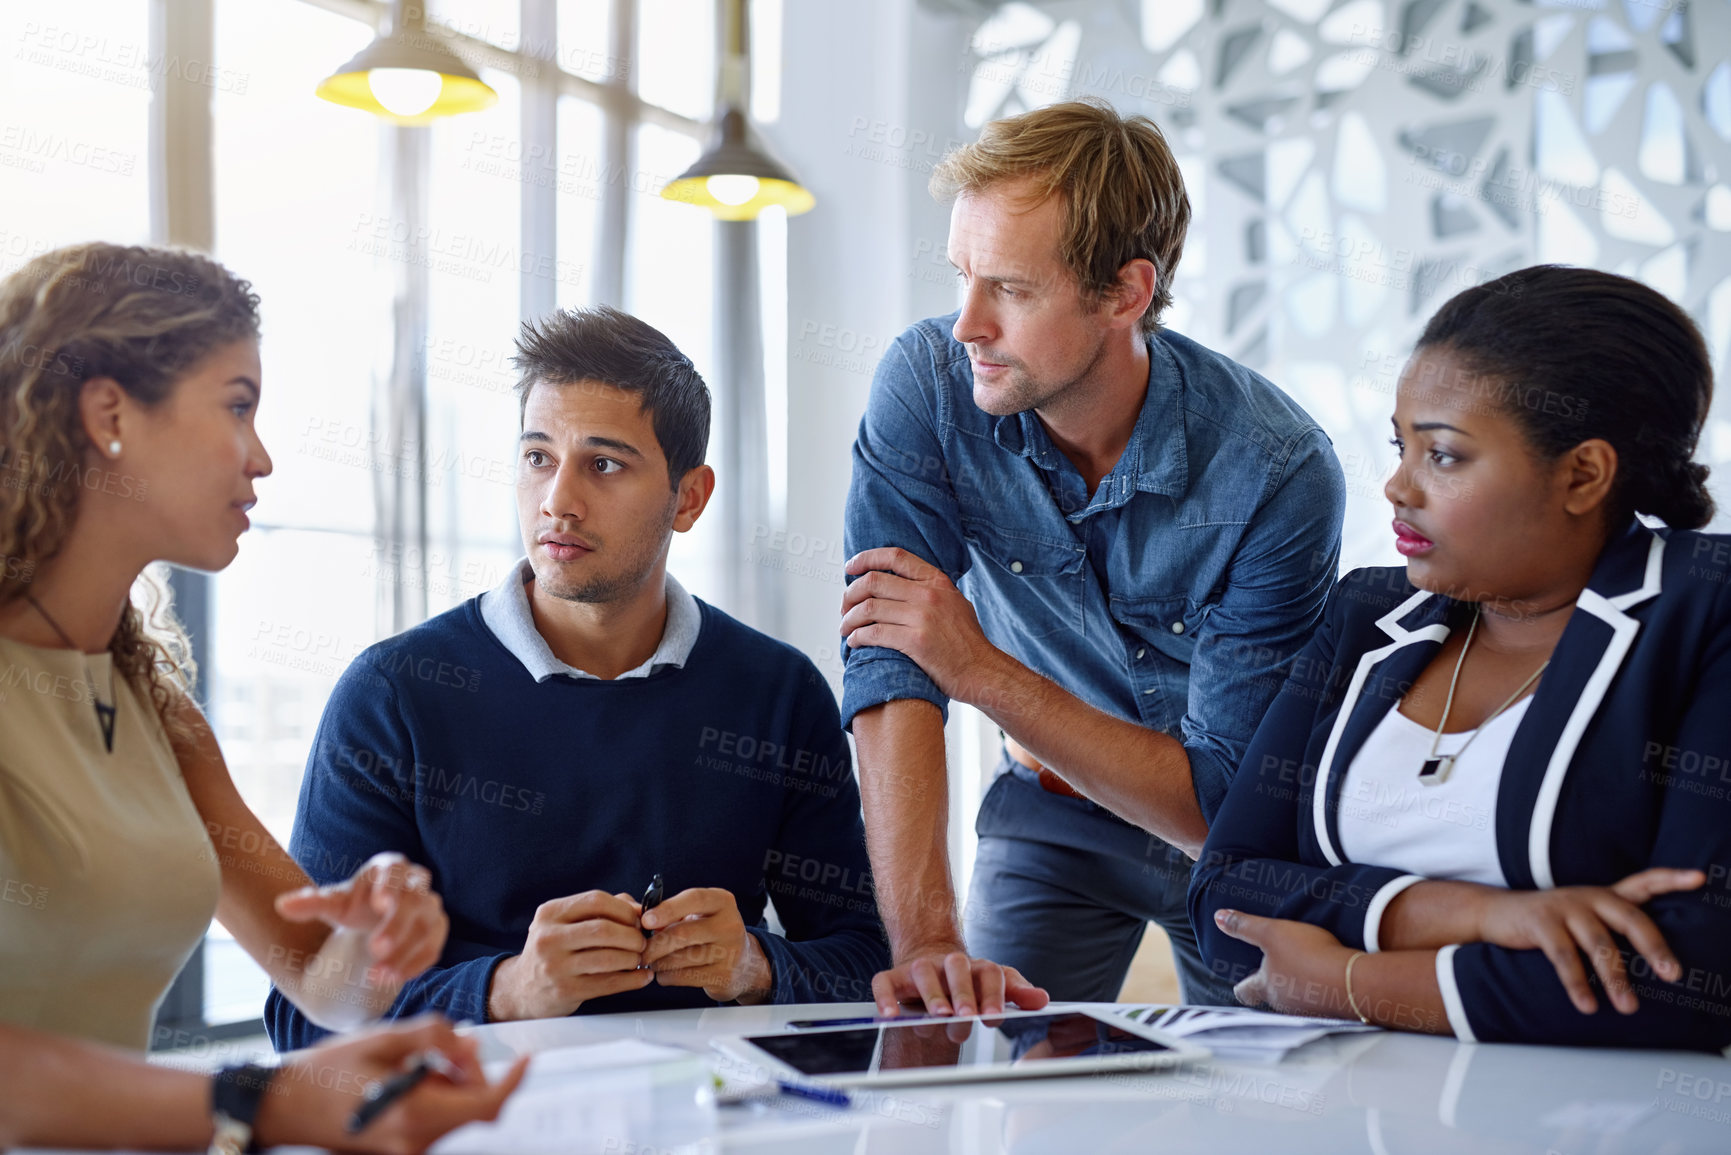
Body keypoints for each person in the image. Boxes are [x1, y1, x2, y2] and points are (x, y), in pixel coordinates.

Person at [0, 242, 522, 1150]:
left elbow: (321, 978)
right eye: (237, 406)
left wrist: (370, 935)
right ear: (110, 412)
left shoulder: (153, 704)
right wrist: (262, 1100)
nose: (264, 457)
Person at [839, 99, 1345, 1016]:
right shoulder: (927, 383)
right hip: (1050, 809)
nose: (966, 326)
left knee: (1263, 1101)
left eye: (1011, 289)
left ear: (1125, 292)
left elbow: (1218, 800)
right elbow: (888, 659)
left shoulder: (1279, 470)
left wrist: (978, 669)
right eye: (961, 276)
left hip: (1232, 840)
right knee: (983, 1064)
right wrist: (925, 944)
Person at [268, 305, 889, 1049]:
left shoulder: (777, 693)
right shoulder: (392, 693)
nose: (557, 500)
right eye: (537, 457)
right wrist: (505, 990)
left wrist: (755, 964)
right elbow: (299, 1019)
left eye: (603, 464)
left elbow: (871, 963)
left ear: (688, 497)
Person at [1188, 265, 1731, 1050]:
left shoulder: (1702, 610)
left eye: (1442, 455)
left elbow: (1687, 973)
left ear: (1582, 473)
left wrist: (1345, 982)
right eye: (1399, 444)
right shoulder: (1367, 614)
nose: (1395, 486)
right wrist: (1482, 914)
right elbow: (1224, 896)